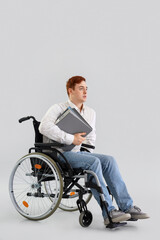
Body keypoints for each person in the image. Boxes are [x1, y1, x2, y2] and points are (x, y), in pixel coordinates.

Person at [39, 76, 149, 225]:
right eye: (81, 88)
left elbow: (91, 138)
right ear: (70, 91)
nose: (85, 91)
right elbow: (43, 127)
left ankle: (126, 206)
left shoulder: (90, 112)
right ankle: (109, 212)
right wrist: (70, 139)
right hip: (60, 153)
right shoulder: (57, 108)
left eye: (86, 88)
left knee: (109, 160)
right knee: (94, 163)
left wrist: (84, 148)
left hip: (77, 152)